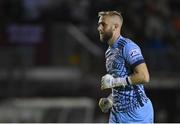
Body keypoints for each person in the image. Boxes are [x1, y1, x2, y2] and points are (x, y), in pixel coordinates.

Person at [97, 11, 154, 123]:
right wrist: (110, 100)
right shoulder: (109, 52)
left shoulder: (128, 46)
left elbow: (144, 76)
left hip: (136, 114)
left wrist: (113, 82)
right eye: (99, 24)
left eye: (103, 24)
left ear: (115, 27)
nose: (99, 28)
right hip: (117, 113)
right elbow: (121, 82)